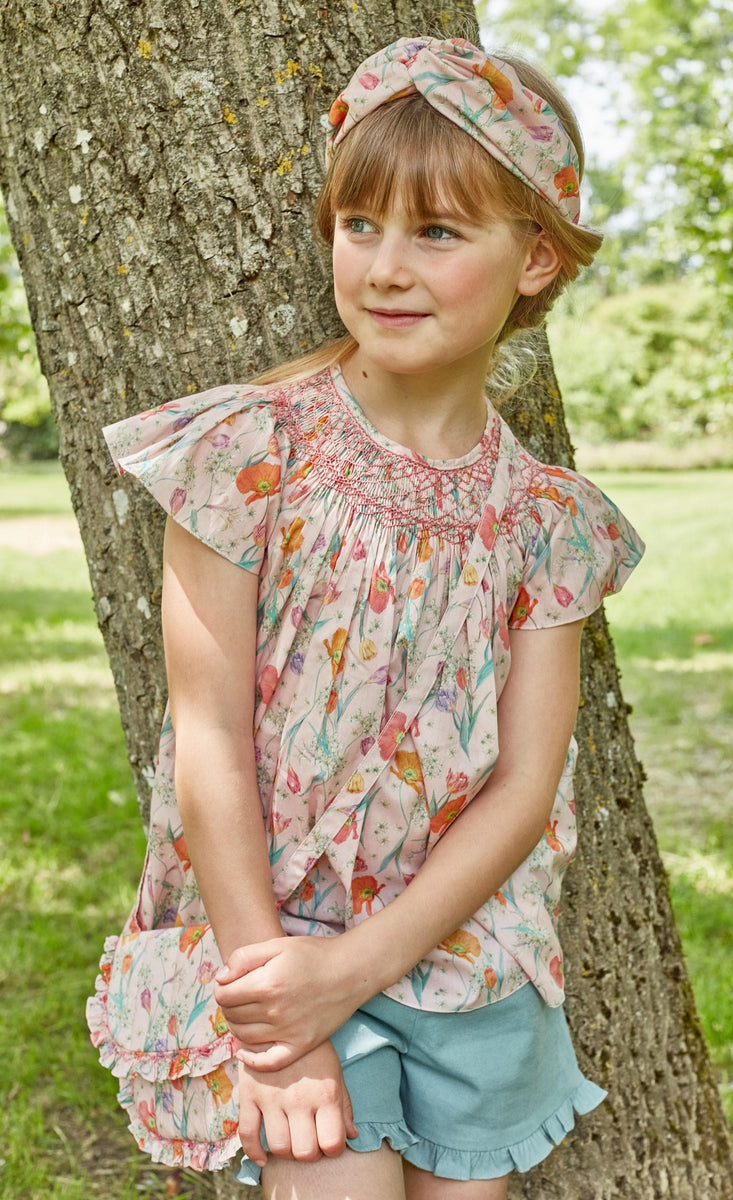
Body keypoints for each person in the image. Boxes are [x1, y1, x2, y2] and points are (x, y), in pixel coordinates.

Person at [87, 34, 644, 1200]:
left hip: (457, 954)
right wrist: (280, 1007)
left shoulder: (546, 523)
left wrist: (363, 964)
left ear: (533, 256)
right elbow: (207, 737)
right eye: (360, 226)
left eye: (437, 233)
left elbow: (524, 785)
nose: (386, 266)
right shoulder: (250, 452)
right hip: (272, 938)